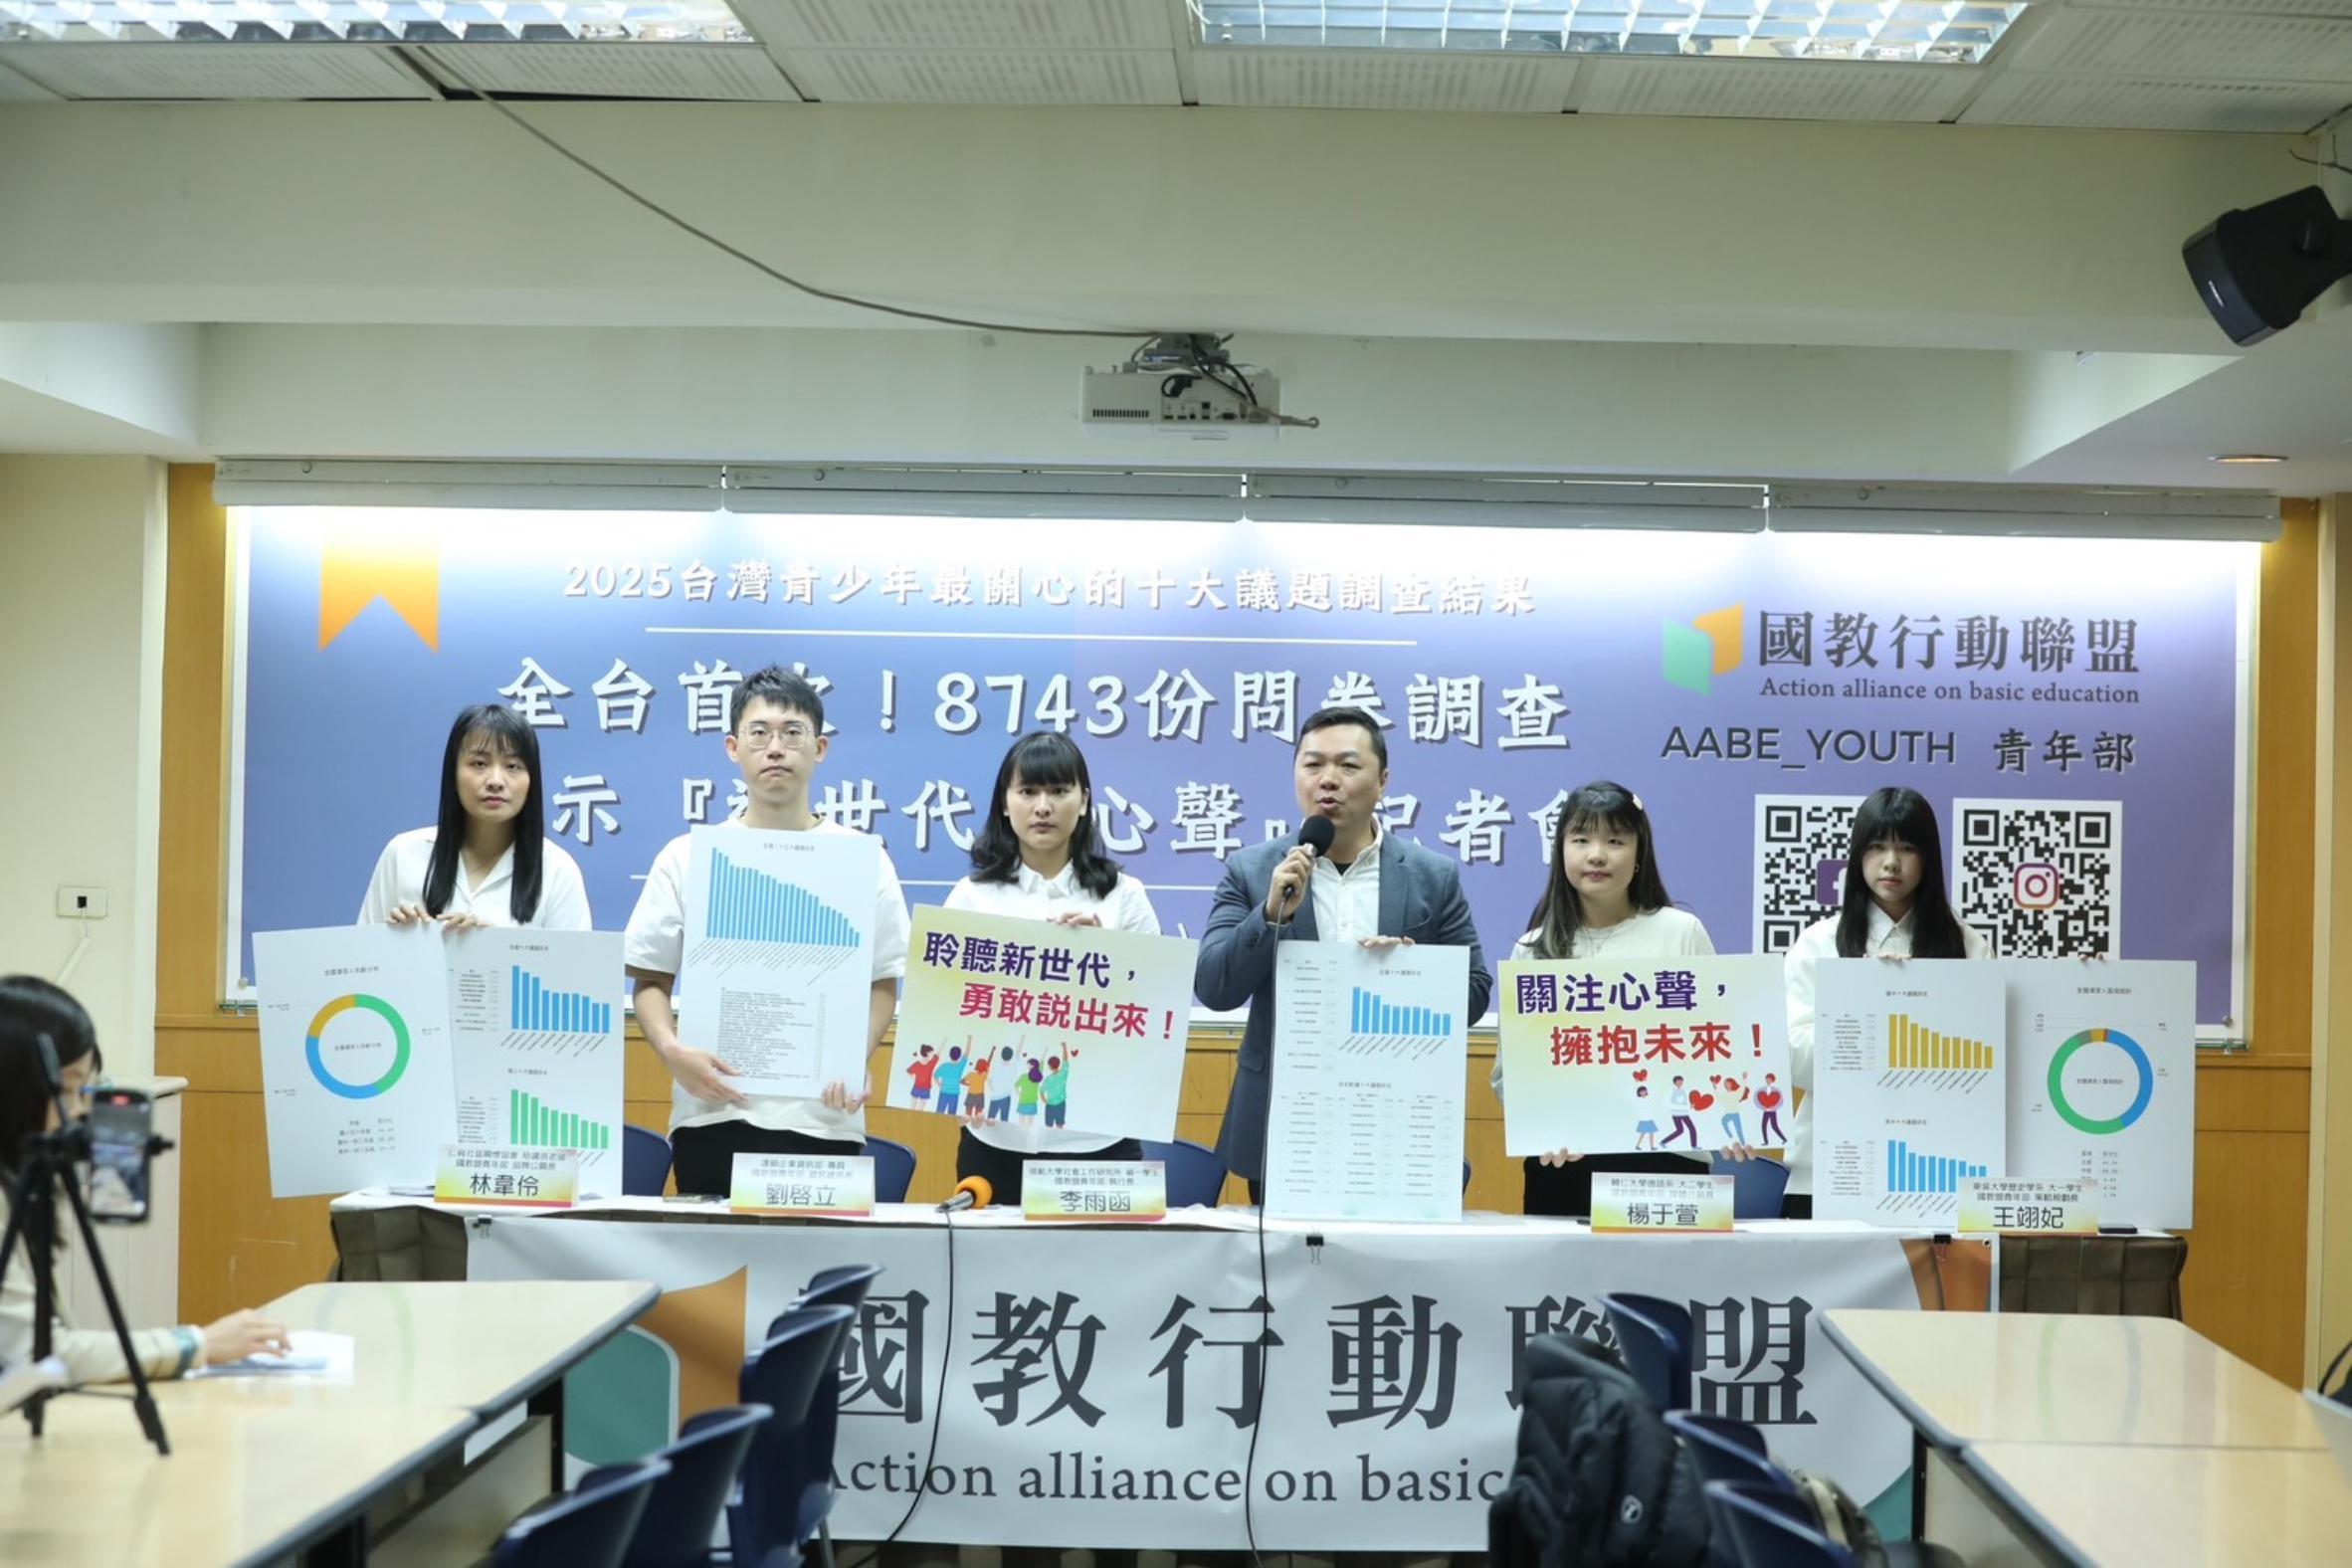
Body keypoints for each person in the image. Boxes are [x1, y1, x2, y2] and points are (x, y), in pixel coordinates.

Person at [624, 666, 910, 1197]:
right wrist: (671, 1051)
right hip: (713, 1114)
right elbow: (650, 978)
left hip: (823, 1118)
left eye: (792, 733)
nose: (775, 748)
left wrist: (854, 1059)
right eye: (759, 733)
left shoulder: (862, 860)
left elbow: (882, 982)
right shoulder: (687, 857)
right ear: (733, 748)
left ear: (820, 748)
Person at [1196, 705, 1492, 1201]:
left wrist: (1413, 973)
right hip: (1283, 1121)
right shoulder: (1253, 871)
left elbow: (1476, 993)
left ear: (1382, 782)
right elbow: (1214, 988)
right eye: (1313, 764)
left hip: (1394, 1116)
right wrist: (1269, 915)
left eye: (1348, 765)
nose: (1328, 779)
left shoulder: (1431, 876)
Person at [0, 975, 289, 1382]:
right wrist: (196, 1344)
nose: (79, 1112)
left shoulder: (21, 1185)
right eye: (67, 1090)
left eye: (85, 1090)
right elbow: (39, 1355)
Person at [942, 731, 1161, 1198]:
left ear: (1083, 802)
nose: (1043, 807)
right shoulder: (971, 898)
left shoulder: (1124, 897)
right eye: (1028, 791)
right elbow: (943, 1008)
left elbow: (1158, 1011)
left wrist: (1110, 960)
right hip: (994, 1139)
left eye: (1059, 791)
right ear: (1005, 804)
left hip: (1099, 1140)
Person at [1493, 781, 1715, 1218]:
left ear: (1639, 853)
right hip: (1563, 1161)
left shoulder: (1681, 933)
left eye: (1615, 841)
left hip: (1666, 1161)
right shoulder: (1533, 950)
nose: (1597, 855)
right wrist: (1543, 1125)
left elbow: (1717, 1048)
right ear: (1561, 851)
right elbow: (1510, 1074)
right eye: (1581, 840)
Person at [1778, 786, 1990, 1217]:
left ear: (1929, 858)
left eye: (1907, 848)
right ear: (1858, 855)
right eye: (1877, 846)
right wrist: (1866, 1007)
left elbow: (1988, 1060)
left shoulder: (1968, 946)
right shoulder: (1818, 943)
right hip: (1827, 1172)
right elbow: (1792, 1060)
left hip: (1938, 1172)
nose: (1891, 862)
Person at [358, 702, 592, 931]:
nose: (495, 781)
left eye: (512, 766)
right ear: (453, 774)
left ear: (532, 780)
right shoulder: (402, 854)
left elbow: (576, 959)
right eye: (479, 763)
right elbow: (361, 953)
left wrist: (491, 948)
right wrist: (397, 940)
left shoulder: (558, 870)